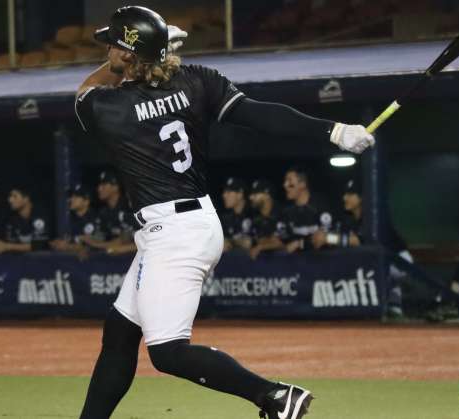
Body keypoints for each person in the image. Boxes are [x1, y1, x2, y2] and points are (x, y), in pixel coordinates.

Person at [74, 6, 374, 419]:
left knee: (167, 352)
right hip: (189, 224)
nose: (107, 49)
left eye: (114, 44)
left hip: (173, 234)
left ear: (128, 55)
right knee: (121, 332)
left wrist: (143, 54)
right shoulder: (197, 80)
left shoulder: (111, 108)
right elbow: (260, 114)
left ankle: (273, 396)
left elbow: (86, 89)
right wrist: (333, 131)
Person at [312, 179, 411, 317]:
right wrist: (324, 239)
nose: (345, 197)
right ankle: (393, 306)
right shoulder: (351, 220)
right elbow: (346, 241)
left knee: (370, 266)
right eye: (345, 194)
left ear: (361, 198)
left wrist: (328, 238)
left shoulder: (373, 217)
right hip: (380, 262)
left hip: (400, 260)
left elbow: (359, 241)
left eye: (350, 194)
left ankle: (392, 303)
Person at [77, 171, 136, 255]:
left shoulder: (130, 207)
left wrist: (95, 244)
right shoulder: (104, 212)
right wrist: (86, 244)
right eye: (99, 185)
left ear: (115, 187)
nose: (99, 188)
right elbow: (101, 236)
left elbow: (126, 240)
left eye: (104, 185)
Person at [281, 168, 333, 254]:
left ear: (302, 184)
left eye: (289, 181)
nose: (285, 185)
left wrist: (300, 244)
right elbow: (283, 243)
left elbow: (325, 239)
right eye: (285, 181)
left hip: (322, 263)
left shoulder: (321, 207)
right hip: (295, 265)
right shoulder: (286, 212)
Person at [0, 185, 50, 254]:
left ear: (26, 199)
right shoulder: (10, 217)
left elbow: (39, 245)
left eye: (15, 196)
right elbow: (6, 241)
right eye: (10, 196)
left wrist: (7, 246)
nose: (10, 200)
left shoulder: (39, 215)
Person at [50, 184, 102, 259]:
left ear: (86, 201)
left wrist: (68, 246)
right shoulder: (69, 219)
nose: (71, 199)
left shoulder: (95, 219)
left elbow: (94, 245)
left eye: (76, 197)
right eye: (71, 196)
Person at [248, 179, 284, 260]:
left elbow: (283, 244)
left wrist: (261, 246)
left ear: (267, 195)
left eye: (255, 194)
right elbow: (255, 241)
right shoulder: (255, 218)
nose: (251, 197)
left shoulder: (282, 214)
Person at [220, 177, 252, 252]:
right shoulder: (226, 218)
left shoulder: (253, 214)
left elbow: (248, 243)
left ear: (240, 194)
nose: (224, 195)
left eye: (228, 192)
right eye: (224, 192)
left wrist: (231, 242)